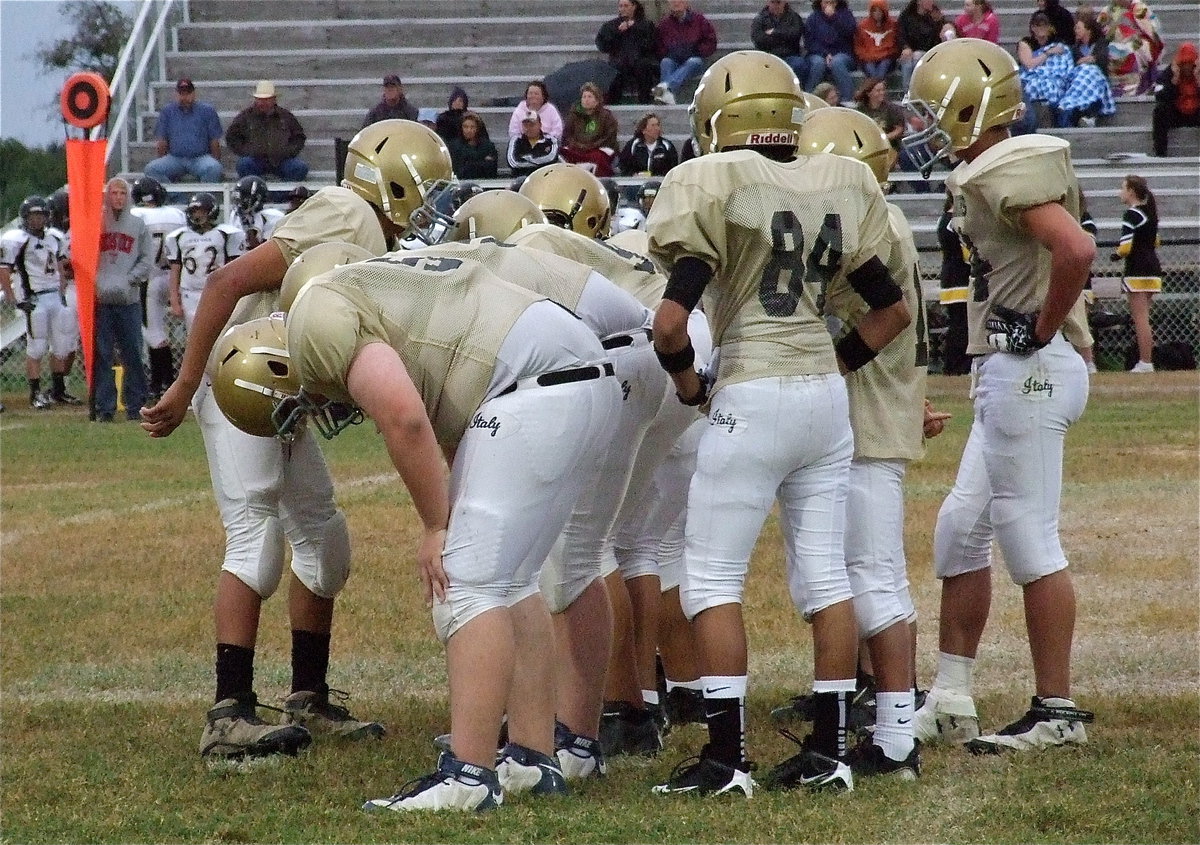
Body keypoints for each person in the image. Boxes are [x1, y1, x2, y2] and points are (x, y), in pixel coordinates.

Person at [141, 120, 453, 763]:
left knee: (325, 541)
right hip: (242, 379)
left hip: (282, 390)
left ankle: (307, 696)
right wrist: (186, 381)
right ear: (391, 182)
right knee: (256, 538)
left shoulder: (379, 240)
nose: (430, 213)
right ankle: (228, 715)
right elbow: (229, 281)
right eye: (425, 195)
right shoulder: (347, 213)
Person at [268, 248, 621, 812]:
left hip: (537, 386)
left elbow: (403, 414)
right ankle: (532, 757)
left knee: (465, 582)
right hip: (585, 378)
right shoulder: (391, 291)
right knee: (513, 578)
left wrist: (437, 525)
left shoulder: (315, 315)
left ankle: (469, 777)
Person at [647, 51, 910, 797]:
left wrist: (691, 382)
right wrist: (831, 360)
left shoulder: (714, 182)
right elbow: (890, 311)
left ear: (722, 119)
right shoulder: (841, 177)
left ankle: (728, 759)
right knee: (824, 573)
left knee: (710, 578)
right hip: (824, 397)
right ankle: (829, 751)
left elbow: (670, 323)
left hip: (752, 388)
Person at [902, 37, 1096, 753]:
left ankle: (1058, 710)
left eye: (932, 110)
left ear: (967, 109)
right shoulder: (992, 167)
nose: (922, 124)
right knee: (960, 528)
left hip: (1030, 370)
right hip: (1011, 370)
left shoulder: (1005, 167)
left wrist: (1041, 327)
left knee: (1028, 537)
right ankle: (952, 694)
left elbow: (1075, 249)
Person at [789, 105, 950, 779]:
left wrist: (823, 367)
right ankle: (888, 729)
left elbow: (888, 317)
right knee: (867, 575)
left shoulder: (865, 223)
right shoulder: (884, 217)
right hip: (875, 414)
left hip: (862, 425)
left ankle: (895, 739)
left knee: (875, 580)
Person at [0, 196, 74, 409]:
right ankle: (35, 393)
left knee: (61, 345)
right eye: (33, 216)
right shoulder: (17, 240)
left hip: (54, 297)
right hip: (35, 299)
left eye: (41, 215)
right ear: (25, 217)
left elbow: (60, 266)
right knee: (37, 347)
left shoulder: (54, 237)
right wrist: (14, 299)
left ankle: (58, 390)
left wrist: (61, 290)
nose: (38, 220)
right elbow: (4, 270)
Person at [94, 178, 153, 422]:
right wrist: (96, 281)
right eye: (113, 193)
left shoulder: (138, 225)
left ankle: (135, 404)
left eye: (122, 193)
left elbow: (146, 260)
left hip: (128, 300)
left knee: (133, 354)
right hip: (101, 300)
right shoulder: (97, 223)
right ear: (107, 195)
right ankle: (105, 407)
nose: (117, 197)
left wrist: (130, 279)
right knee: (103, 354)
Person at [130, 176, 187, 402]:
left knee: (153, 332)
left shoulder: (137, 216)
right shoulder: (177, 215)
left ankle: (161, 382)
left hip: (149, 279)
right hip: (174, 276)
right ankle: (167, 381)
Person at [166, 193, 245, 332]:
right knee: (194, 335)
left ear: (211, 211)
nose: (197, 215)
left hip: (217, 290)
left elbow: (234, 265)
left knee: (221, 332)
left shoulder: (226, 234)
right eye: (194, 211)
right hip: (189, 293)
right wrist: (174, 297)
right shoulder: (179, 236)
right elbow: (175, 268)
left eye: (201, 211)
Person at [1116, 174, 1161, 372]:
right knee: (1145, 318)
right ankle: (1145, 360)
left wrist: (1116, 255)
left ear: (1131, 191)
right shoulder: (1151, 213)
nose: (1120, 192)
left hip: (1137, 270)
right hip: (1153, 268)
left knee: (1140, 319)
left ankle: (1145, 362)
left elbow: (1125, 247)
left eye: (1122, 188)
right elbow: (1156, 241)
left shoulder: (1132, 214)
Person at [143, 79, 224, 185]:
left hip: (200, 158)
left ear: (194, 94)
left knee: (214, 168)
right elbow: (162, 141)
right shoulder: (167, 111)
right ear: (176, 94)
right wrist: (163, 160)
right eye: (181, 94)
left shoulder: (207, 111)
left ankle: (202, 197)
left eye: (188, 93)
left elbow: (214, 141)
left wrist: (216, 160)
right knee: (151, 169)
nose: (185, 97)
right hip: (175, 158)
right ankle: (175, 196)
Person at [226, 81, 309, 181]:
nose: (262, 103)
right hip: (255, 161)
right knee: (244, 164)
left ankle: (280, 196)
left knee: (300, 168)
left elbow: (299, 137)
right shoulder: (245, 117)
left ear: (274, 100)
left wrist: (288, 152)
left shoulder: (286, 116)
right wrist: (247, 151)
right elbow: (232, 137)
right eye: (260, 99)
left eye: (266, 99)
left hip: (281, 160)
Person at [855, 77, 926, 187]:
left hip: (890, 146)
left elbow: (899, 129)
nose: (881, 93)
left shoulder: (892, 109)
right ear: (869, 93)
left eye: (883, 90)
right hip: (866, 146)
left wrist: (883, 138)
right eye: (878, 91)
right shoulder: (860, 110)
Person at [1054, 13, 1115, 127]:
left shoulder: (1100, 44)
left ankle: (1088, 115)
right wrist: (1088, 61)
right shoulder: (1074, 48)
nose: (1075, 31)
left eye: (1078, 28)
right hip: (1079, 82)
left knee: (1091, 73)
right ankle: (1085, 115)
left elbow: (1102, 60)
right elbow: (1074, 66)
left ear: (1088, 30)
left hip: (1096, 80)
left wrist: (1090, 60)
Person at [652, 0, 718, 106]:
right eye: (673, 1)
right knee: (665, 62)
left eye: (679, 1)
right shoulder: (664, 24)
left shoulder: (699, 20)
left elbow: (710, 41)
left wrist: (697, 51)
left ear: (686, 3)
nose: (676, 3)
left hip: (694, 58)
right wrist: (669, 52)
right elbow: (658, 44)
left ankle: (664, 88)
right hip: (673, 59)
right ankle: (665, 95)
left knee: (694, 62)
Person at [597, 0, 660, 105]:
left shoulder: (645, 24)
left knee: (643, 66)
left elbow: (651, 45)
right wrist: (618, 32)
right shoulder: (611, 25)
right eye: (621, 6)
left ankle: (644, 102)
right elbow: (603, 46)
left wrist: (635, 28)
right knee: (614, 70)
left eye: (626, 6)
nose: (623, 9)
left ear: (634, 7)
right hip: (619, 62)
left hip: (640, 61)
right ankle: (613, 103)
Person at [936, 190, 972, 375]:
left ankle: (953, 365)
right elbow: (967, 248)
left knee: (958, 324)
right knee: (962, 326)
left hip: (951, 279)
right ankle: (958, 366)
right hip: (961, 281)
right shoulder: (956, 217)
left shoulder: (945, 218)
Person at [1017, 12, 1074, 126]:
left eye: (1044, 26)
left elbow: (1065, 60)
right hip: (1033, 78)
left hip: (1056, 79)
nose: (1041, 29)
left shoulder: (1057, 43)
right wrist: (1048, 53)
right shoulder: (1026, 43)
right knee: (1039, 86)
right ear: (1033, 28)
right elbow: (1029, 65)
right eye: (1038, 26)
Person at [803, 0, 859, 103]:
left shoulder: (846, 14)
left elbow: (850, 32)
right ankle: (808, 99)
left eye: (832, 2)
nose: (828, 5)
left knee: (837, 62)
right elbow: (809, 42)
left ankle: (848, 100)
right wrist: (824, 54)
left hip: (843, 54)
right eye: (826, 2)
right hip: (818, 54)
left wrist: (835, 17)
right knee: (818, 63)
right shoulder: (813, 17)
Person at [1151, 42, 1200, 157]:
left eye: (1191, 64)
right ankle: (1160, 154)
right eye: (1184, 64)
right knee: (1159, 111)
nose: (1187, 68)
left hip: (1197, 113)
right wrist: (1174, 82)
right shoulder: (1168, 73)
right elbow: (1160, 97)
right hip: (1177, 114)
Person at [560, 83, 620, 178]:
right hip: (577, 149)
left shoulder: (607, 117)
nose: (586, 100)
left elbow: (609, 137)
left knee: (599, 157)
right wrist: (579, 146)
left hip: (598, 149)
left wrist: (591, 146)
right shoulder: (573, 116)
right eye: (584, 97)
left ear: (597, 100)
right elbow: (567, 136)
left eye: (590, 97)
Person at [1104, 0, 1161, 95]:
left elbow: (1153, 34)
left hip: (1139, 46)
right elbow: (1100, 30)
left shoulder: (1140, 8)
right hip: (1115, 47)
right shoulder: (1109, 9)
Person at [898, 0, 947, 90]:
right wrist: (906, 47)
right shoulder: (906, 16)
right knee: (907, 61)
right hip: (910, 52)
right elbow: (901, 35)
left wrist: (939, 23)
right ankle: (908, 91)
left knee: (917, 57)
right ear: (919, 2)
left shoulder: (935, 16)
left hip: (930, 52)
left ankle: (917, 90)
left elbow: (938, 37)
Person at [751, 0, 807, 78]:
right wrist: (784, 37)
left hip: (790, 55)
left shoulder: (794, 17)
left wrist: (775, 32)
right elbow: (759, 40)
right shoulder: (760, 19)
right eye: (772, 2)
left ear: (784, 2)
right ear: (768, 2)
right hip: (768, 56)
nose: (775, 5)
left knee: (799, 64)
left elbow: (796, 34)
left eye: (778, 2)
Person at [506, 110, 562, 176]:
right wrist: (538, 163)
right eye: (525, 125)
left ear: (540, 125)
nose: (528, 128)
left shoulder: (551, 140)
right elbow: (513, 163)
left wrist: (527, 158)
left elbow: (551, 159)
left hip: (545, 178)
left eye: (531, 125)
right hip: (521, 179)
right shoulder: (515, 140)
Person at [855, 0, 902, 79]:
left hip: (887, 58)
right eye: (874, 11)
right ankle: (876, 87)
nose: (877, 13)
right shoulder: (862, 26)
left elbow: (895, 46)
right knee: (870, 67)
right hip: (868, 58)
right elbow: (858, 46)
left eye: (880, 10)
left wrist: (883, 55)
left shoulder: (893, 25)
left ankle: (876, 86)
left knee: (884, 65)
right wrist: (867, 56)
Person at [448, 111, 499, 179]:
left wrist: (470, 164)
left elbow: (491, 169)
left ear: (477, 128)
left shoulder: (488, 146)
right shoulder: (454, 146)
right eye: (465, 127)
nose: (469, 130)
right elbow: (458, 170)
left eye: (472, 127)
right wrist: (481, 162)